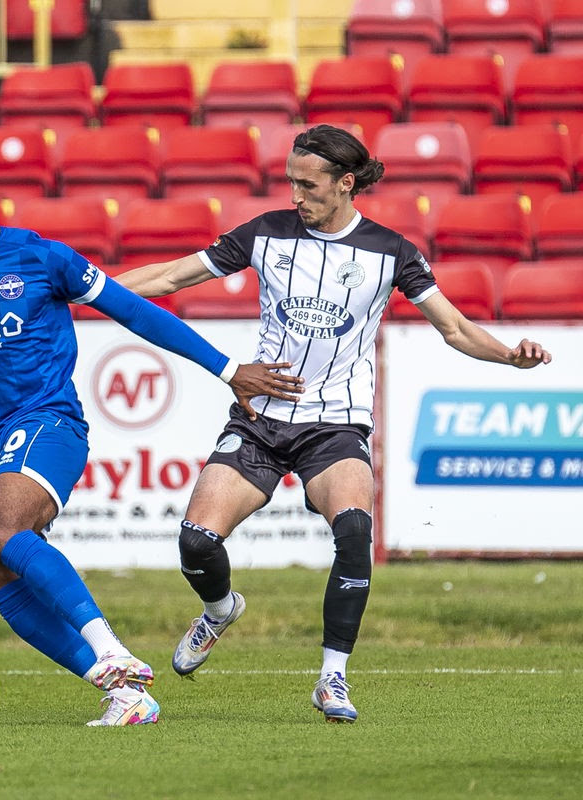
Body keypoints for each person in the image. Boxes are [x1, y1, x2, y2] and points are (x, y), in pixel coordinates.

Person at [117, 124, 553, 723]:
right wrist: (89, 291)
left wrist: (509, 355)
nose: (296, 195)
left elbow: (453, 328)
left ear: (346, 184)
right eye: (291, 181)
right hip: (260, 419)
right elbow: (170, 277)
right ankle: (219, 611)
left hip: (335, 425)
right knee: (196, 542)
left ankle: (332, 678)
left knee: (352, 530)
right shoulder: (265, 233)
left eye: (308, 184)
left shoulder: (391, 252)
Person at [0, 146, 303, 726]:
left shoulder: (40, 258)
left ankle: (114, 652)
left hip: (46, 421)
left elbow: (135, 312)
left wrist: (228, 369)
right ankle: (123, 693)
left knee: (5, 529)